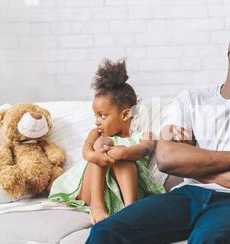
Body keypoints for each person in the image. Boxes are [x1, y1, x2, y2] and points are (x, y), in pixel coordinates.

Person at [84, 22, 230, 244]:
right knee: (105, 232)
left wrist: (198, 168)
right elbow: (168, 159)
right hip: (188, 195)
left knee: (207, 243)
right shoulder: (190, 101)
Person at [48, 59, 165, 225]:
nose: (97, 121)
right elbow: (86, 152)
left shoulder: (144, 135)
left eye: (102, 116)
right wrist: (96, 156)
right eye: (95, 115)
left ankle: (130, 209)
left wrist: (123, 152)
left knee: (124, 158)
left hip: (125, 190)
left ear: (125, 115)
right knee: (102, 144)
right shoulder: (96, 134)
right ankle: (97, 205)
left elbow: (145, 148)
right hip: (91, 188)